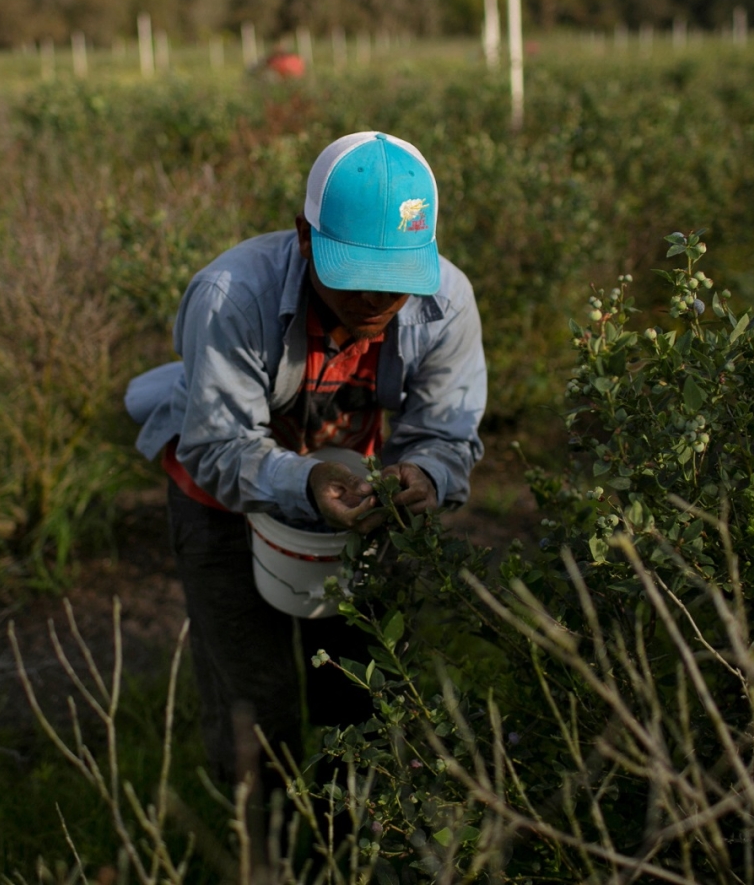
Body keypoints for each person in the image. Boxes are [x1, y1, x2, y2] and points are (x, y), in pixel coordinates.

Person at [125, 131, 486, 788]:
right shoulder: (232, 296)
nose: (377, 300)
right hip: (223, 499)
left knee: (359, 686)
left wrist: (424, 476)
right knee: (254, 705)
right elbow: (217, 445)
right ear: (303, 237)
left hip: (352, 499)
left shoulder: (446, 304)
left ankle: (347, 842)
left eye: (396, 281)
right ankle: (262, 851)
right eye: (357, 276)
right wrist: (310, 476)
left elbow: (447, 434)